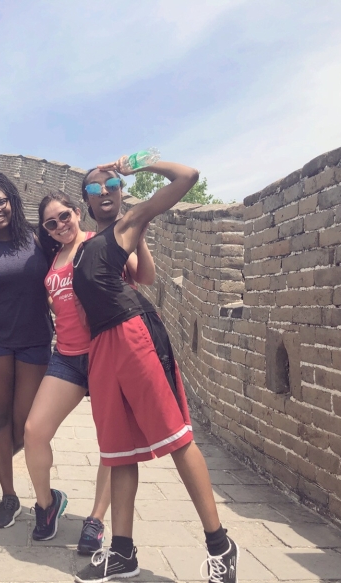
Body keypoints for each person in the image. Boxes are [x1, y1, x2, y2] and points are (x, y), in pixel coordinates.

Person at [72, 159, 238, 583]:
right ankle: (123, 553)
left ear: (122, 190)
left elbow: (188, 178)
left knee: (177, 437)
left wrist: (140, 162)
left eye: (111, 183)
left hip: (133, 335)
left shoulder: (128, 223)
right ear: (86, 201)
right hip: (103, 346)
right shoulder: (89, 244)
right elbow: (141, 274)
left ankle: (220, 545)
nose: (105, 190)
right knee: (118, 449)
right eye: (95, 188)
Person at [23, 190, 156, 553]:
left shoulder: (102, 243)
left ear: (77, 212)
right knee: (35, 431)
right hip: (66, 356)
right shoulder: (54, 256)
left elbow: (144, 276)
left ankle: (96, 519)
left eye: (64, 216)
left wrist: (139, 234)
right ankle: (47, 505)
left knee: (111, 444)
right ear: (46, 231)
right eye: (51, 223)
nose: (60, 225)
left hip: (105, 352)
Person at [0, 172, 54, 528]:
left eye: (0, 201)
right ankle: (10, 495)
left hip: (35, 337)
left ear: (13, 201)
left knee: (25, 425)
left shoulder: (38, 237)